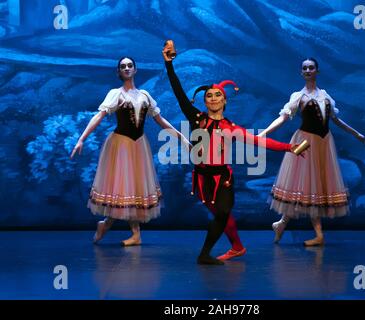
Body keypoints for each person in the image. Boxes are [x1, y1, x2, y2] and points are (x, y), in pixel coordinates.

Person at [162, 41, 301, 265]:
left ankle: (204, 254)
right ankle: (237, 247)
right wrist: (169, 65)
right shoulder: (197, 119)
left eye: (218, 95)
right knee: (222, 216)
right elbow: (178, 92)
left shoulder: (231, 128)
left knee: (223, 212)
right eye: (209, 96)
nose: (213, 98)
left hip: (222, 178)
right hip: (201, 177)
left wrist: (289, 148)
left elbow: (258, 142)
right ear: (204, 101)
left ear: (225, 100)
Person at [70, 57, 190, 246]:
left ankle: (128, 232)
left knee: (133, 189)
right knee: (122, 189)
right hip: (121, 144)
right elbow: (99, 116)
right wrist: (81, 139)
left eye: (130, 66)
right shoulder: (115, 94)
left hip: (138, 144)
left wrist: (181, 137)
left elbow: (160, 120)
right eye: (123, 66)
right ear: (119, 72)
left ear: (135, 70)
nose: (126, 68)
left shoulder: (144, 95)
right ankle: (111, 225)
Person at [259, 58, 365, 246]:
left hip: (324, 143)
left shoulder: (325, 96)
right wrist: (266, 132)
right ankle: (315, 234)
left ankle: (283, 224)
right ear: (301, 73)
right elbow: (283, 118)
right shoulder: (298, 97)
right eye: (305, 68)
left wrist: (356, 133)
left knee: (313, 187)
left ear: (317, 71)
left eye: (311, 67)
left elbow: (336, 120)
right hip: (305, 142)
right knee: (305, 186)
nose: (308, 70)